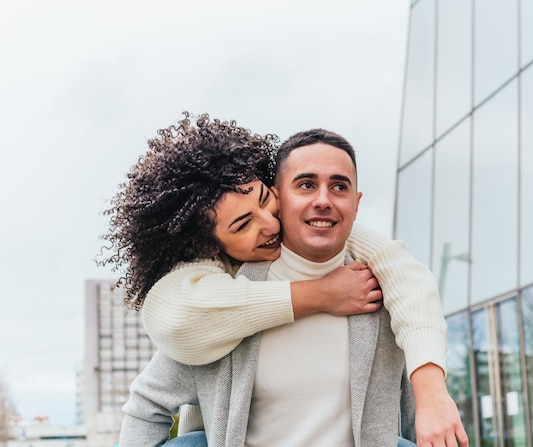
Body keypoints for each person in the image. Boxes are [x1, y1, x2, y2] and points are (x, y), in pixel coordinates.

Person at [104, 115, 465, 445]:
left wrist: (432, 390)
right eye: (306, 185)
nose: (271, 224)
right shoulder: (221, 307)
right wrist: (320, 294)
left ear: (356, 204)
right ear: (283, 194)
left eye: (339, 187)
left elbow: (410, 282)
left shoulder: (386, 285)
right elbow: (148, 399)